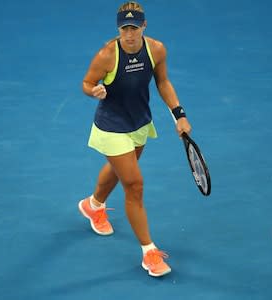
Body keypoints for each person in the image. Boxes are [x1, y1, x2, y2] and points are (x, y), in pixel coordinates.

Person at [78, 1, 191, 277]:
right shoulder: (107, 55)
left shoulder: (156, 49)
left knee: (121, 172)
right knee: (134, 184)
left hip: (139, 123)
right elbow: (86, 83)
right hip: (111, 126)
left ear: (144, 25)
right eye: (124, 28)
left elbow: (163, 82)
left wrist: (179, 115)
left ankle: (93, 206)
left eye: (134, 27)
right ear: (119, 28)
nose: (129, 33)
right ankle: (149, 252)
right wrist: (94, 91)